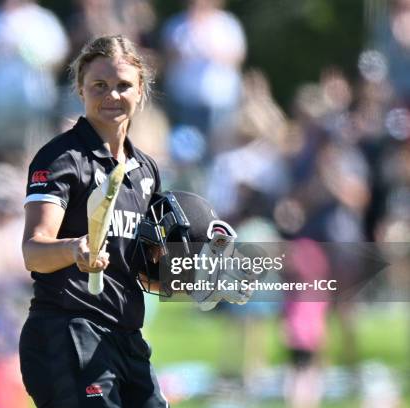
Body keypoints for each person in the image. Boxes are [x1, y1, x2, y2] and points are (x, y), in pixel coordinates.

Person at [19, 35, 253, 408]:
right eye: (99, 85)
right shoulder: (62, 158)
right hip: (67, 334)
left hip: (125, 336)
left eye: (123, 85)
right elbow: (34, 250)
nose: (111, 95)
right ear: (80, 89)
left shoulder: (145, 169)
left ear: (141, 90)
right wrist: (75, 250)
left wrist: (199, 267)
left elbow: (144, 266)